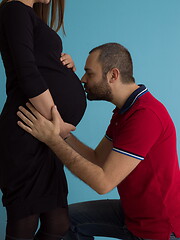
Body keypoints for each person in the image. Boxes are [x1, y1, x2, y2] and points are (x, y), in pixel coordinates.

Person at [17, 43, 180, 240]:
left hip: (158, 229)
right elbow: (97, 159)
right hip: (132, 214)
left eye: (89, 73)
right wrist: (62, 134)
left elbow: (103, 183)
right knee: (63, 222)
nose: (83, 79)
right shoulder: (125, 111)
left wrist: (52, 141)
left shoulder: (146, 115)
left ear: (113, 75)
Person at [0, 0, 86, 239]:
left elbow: (36, 63)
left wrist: (61, 62)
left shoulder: (27, 15)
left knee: (57, 224)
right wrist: (56, 125)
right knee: (25, 223)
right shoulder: (14, 9)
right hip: (27, 129)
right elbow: (27, 73)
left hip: (45, 136)